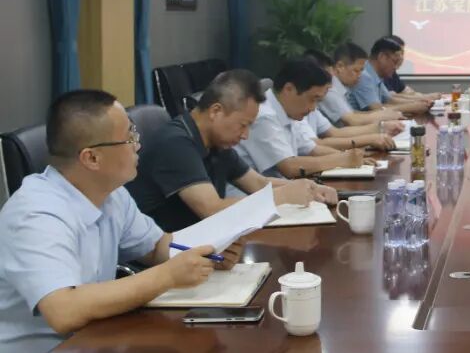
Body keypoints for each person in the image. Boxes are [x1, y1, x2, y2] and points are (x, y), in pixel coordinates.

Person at [0, 90, 243, 353]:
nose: (138, 146)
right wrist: (167, 275)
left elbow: (156, 246)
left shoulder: (111, 193)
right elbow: (63, 310)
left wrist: (208, 251)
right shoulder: (36, 214)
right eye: (129, 139)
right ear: (92, 158)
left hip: (90, 346)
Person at [126, 69, 338, 232]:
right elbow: (211, 209)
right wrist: (282, 196)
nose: (245, 135)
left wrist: (309, 188)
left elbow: (258, 183)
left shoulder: (217, 142)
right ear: (216, 111)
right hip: (166, 254)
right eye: (243, 125)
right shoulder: (176, 143)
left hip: (204, 242)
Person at [235, 58, 373, 179]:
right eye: (312, 99)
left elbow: (311, 149)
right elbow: (290, 167)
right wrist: (341, 159)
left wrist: (351, 157)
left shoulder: (288, 111)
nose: (313, 108)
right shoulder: (264, 116)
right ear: (289, 89)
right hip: (251, 196)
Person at [299, 49, 401, 151]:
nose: (330, 84)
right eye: (357, 70)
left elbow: (334, 133)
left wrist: (379, 128)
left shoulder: (314, 100)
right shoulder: (326, 94)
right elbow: (315, 145)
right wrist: (370, 138)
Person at [319, 43, 405, 128]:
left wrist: (384, 113)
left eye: (361, 71)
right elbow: (353, 120)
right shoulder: (330, 90)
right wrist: (383, 117)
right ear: (340, 66)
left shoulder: (342, 87)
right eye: (356, 71)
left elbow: (353, 113)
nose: (360, 75)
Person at [348, 38, 432, 114]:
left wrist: (418, 103)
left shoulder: (376, 75)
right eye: (395, 62)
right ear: (382, 57)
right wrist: (410, 107)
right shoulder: (363, 76)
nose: (395, 67)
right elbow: (377, 110)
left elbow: (390, 100)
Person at [382, 35, 439, 101]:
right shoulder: (379, 74)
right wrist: (425, 98)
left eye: (402, 54)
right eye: (397, 54)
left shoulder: (392, 73)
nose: (401, 58)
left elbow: (408, 92)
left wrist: (427, 96)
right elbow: (391, 97)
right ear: (383, 56)